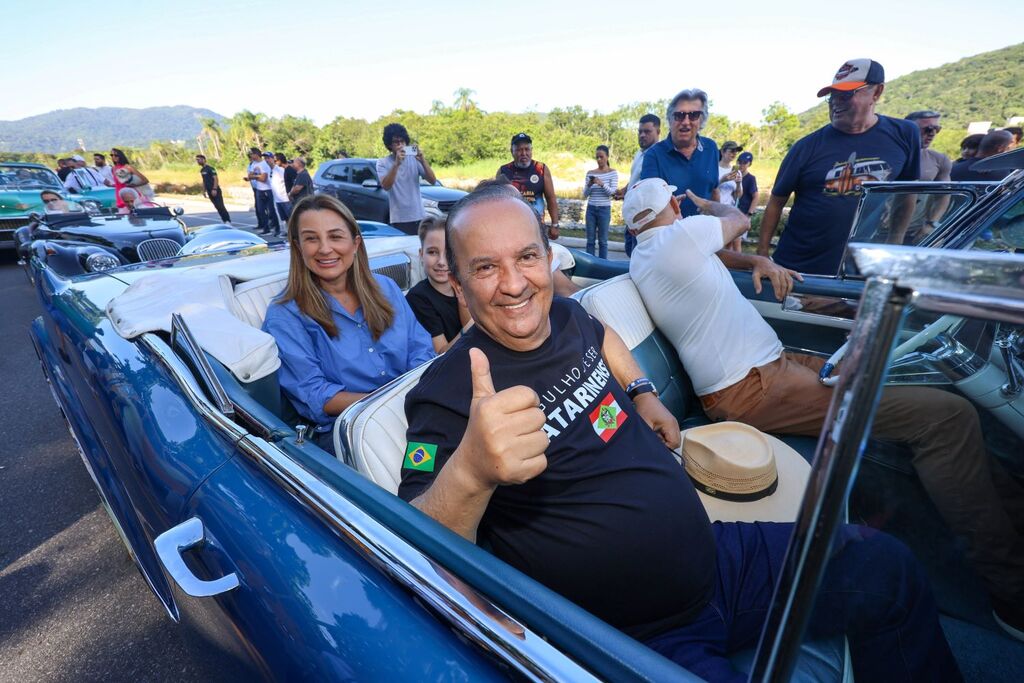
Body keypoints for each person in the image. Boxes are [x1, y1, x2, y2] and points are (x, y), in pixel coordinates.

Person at [397, 184, 960, 681]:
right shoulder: (445, 396)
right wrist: (470, 470)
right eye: (486, 267)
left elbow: (604, 334)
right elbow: (412, 536)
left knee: (888, 567)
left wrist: (641, 392)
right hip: (637, 635)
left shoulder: (567, 315)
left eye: (527, 257)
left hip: (721, 562)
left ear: (549, 257)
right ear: (457, 283)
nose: (515, 284)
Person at [625, 177, 1024, 643]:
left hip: (771, 370)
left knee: (944, 410)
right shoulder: (681, 235)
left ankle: (1013, 526)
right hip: (756, 388)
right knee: (945, 418)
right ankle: (1011, 589)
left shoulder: (648, 253)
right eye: (676, 202)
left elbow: (712, 253)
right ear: (673, 203)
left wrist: (753, 259)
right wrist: (713, 207)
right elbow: (738, 219)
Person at [263, 194, 434, 454]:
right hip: (351, 429)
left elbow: (420, 349)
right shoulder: (285, 315)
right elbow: (315, 394)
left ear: (355, 244)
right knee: (420, 474)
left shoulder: (386, 288)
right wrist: (388, 405)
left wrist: (413, 402)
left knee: (464, 457)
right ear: (298, 248)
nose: (324, 248)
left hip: (412, 411)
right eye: (311, 238)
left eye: (335, 236)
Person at [757, 59, 921, 274]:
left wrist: (894, 244)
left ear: (876, 92)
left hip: (857, 266)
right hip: (796, 266)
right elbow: (776, 202)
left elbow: (906, 193)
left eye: (845, 95)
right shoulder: (806, 147)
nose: (835, 102)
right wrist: (762, 257)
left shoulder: (904, 134)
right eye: (832, 96)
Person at [640, 89, 720, 217]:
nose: (686, 122)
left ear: (701, 121)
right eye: (679, 115)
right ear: (670, 120)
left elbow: (714, 191)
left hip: (705, 232)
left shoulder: (711, 148)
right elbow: (647, 204)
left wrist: (719, 222)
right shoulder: (654, 155)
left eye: (694, 115)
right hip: (669, 233)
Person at [406, 217, 471, 354]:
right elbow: (441, 353)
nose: (441, 261)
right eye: (432, 252)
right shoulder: (418, 298)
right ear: (421, 254)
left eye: (448, 253)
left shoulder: (464, 284)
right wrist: (474, 326)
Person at [376, 123, 437, 235]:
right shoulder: (382, 163)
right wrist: (396, 164)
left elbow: (433, 180)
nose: (400, 144)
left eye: (402, 141)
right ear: (389, 145)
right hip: (399, 218)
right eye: (396, 142)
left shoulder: (414, 159)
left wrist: (423, 161)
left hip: (419, 215)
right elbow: (386, 186)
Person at [496, 133, 560, 239]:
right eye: (519, 150)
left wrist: (555, 225)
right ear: (512, 151)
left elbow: (551, 198)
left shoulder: (541, 169)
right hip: (511, 226)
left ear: (531, 151)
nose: (523, 153)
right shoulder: (503, 171)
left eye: (527, 149)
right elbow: (497, 200)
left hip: (537, 226)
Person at [614, 114, 661, 256]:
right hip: (631, 213)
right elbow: (637, 178)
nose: (642, 135)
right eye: (640, 131)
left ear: (658, 132)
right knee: (630, 251)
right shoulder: (639, 153)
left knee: (638, 255)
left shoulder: (658, 156)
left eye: (647, 132)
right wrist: (625, 189)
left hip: (644, 217)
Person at [582, 145, 618, 259]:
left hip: (604, 209)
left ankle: (603, 264)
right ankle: (590, 264)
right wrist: (589, 184)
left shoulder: (613, 173)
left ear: (607, 157)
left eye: (601, 157)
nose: (599, 160)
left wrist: (602, 184)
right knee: (590, 240)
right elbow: (585, 194)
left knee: (603, 241)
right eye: (597, 157)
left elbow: (612, 193)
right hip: (591, 208)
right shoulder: (590, 173)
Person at [244, 147, 279, 236]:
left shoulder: (264, 164)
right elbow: (250, 175)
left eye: (252, 154)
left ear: (256, 154)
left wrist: (254, 177)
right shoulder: (254, 164)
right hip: (259, 189)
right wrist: (256, 176)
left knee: (271, 210)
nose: (251, 156)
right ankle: (266, 228)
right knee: (260, 210)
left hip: (267, 189)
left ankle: (276, 228)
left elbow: (264, 178)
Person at [195, 154, 231, 223]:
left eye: (199, 160)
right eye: (197, 160)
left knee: (220, 206)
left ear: (204, 160)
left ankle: (227, 220)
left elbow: (216, 179)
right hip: (209, 191)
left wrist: (214, 189)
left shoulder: (210, 169)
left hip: (215, 190)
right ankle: (224, 220)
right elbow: (204, 181)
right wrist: (204, 190)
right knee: (217, 207)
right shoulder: (202, 170)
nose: (198, 161)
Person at [267, 151, 292, 224]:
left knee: (290, 217)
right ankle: (287, 231)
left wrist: (289, 194)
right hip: (277, 199)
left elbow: (288, 182)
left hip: (285, 198)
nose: (267, 160)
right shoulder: (271, 170)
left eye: (269, 158)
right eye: (265, 159)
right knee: (284, 218)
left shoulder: (280, 169)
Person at [716, 141, 743, 207]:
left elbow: (737, 196)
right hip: (714, 208)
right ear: (722, 152)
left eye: (736, 151)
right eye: (732, 151)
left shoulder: (737, 171)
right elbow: (706, 190)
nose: (734, 153)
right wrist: (722, 180)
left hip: (728, 209)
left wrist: (738, 183)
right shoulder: (713, 168)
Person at [736, 152, 758, 218]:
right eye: (739, 162)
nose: (741, 165)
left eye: (745, 163)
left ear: (749, 164)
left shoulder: (751, 178)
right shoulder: (732, 175)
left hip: (744, 212)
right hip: (732, 211)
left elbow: (756, 197)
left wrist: (749, 214)